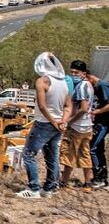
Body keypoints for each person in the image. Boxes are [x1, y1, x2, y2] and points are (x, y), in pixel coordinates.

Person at [16, 52, 71, 199]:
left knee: (28, 154)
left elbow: (42, 105)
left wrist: (53, 121)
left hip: (44, 123)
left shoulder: (42, 81)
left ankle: (33, 188)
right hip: (58, 125)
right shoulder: (64, 82)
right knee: (52, 156)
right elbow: (68, 106)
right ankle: (50, 188)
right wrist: (62, 121)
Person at [60, 60, 95, 191]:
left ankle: (64, 182)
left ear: (83, 73)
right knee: (85, 154)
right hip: (87, 127)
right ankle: (88, 183)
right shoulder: (89, 85)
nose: (73, 74)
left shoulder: (81, 87)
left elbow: (84, 108)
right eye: (72, 72)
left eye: (76, 72)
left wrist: (70, 121)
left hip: (78, 127)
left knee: (70, 153)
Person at [86, 69, 109, 188]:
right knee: (98, 149)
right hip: (99, 122)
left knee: (92, 148)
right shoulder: (96, 87)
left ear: (89, 77)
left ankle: (99, 177)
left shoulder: (101, 85)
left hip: (104, 123)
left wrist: (96, 111)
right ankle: (103, 177)